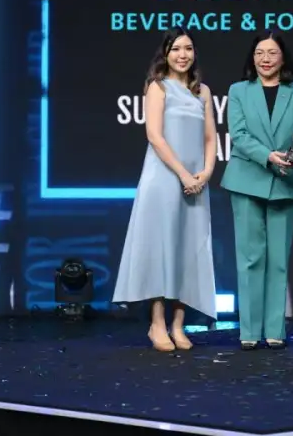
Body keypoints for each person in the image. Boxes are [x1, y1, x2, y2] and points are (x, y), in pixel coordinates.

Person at [112, 27, 218, 352]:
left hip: (195, 181)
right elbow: (155, 137)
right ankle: (157, 323)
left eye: (188, 48)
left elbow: (210, 138)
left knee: (189, 247)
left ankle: (178, 324)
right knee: (160, 247)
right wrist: (183, 174)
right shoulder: (157, 87)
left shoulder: (202, 92)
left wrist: (205, 172)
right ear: (166, 54)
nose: (182, 55)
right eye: (176, 49)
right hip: (163, 178)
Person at [221, 33, 293, 351]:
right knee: (250, 259)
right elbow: (239, 134)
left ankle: (275, 330)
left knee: (279, 260)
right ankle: (249, 331)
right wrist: (267, 156)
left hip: (286, 181)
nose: (265, 59)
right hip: (247, 180)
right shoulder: (238, 91)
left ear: (283, 57)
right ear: (252, 57)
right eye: (259, 52)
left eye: (272, 53)